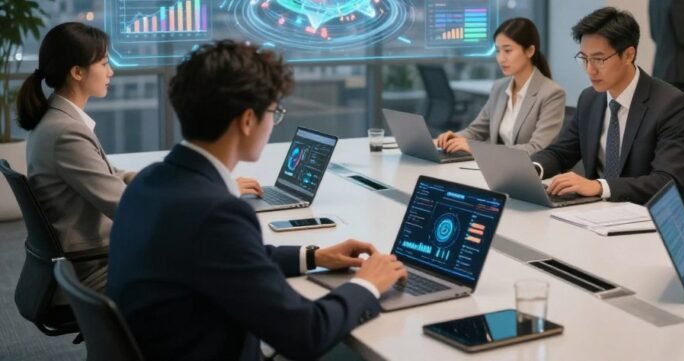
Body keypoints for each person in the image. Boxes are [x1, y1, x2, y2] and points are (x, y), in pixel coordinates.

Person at [107, 41, 407, 361]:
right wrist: (368, 284)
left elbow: (229, 257)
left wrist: (315, 255)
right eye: (274, 112)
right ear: (247, 120)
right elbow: (306, 334)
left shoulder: (151, 181)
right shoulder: (216, 213)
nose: (273, 123)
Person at [15, 22, 262, 291]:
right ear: (77, 72)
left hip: (96, 256)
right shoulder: (64, 132)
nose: (111, 71)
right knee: (211, 261)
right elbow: (128, 207)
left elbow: (112, 176)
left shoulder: (57, 120)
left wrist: (193, 184)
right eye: (104, 63)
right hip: (95, 266)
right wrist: (210, 195)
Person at [531, 7, 684, 212]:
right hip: (599, 214)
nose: (590, 69)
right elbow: (561, 153)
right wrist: (534, 169)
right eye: (584, 58)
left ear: (629, 55)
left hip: (654, 217)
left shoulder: (671, 104)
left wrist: (599, 187)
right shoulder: (590, 99)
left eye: (599, 59)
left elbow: (666, 180)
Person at [435, 17, 566, 155]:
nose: (501, 58)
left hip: (530, 172)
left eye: (508, 50)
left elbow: (537, 148)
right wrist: (455, 138)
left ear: (530, 51)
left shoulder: (552, 93)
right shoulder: (499, 87)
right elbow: (476, 131)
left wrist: (478, 149)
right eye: (498, 50)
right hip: (497, 169)